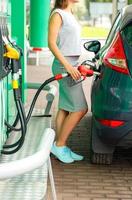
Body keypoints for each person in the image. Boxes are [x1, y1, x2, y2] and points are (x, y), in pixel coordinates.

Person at [48, 0, 88, 163]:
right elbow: (51, 43)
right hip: (64, 66)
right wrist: (68, 67)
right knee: (80, 109)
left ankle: (60, 146)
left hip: (72, 64)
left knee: (65, 107)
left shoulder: (70, 13)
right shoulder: (58, 14)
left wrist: (76, 65)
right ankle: (59, 144)